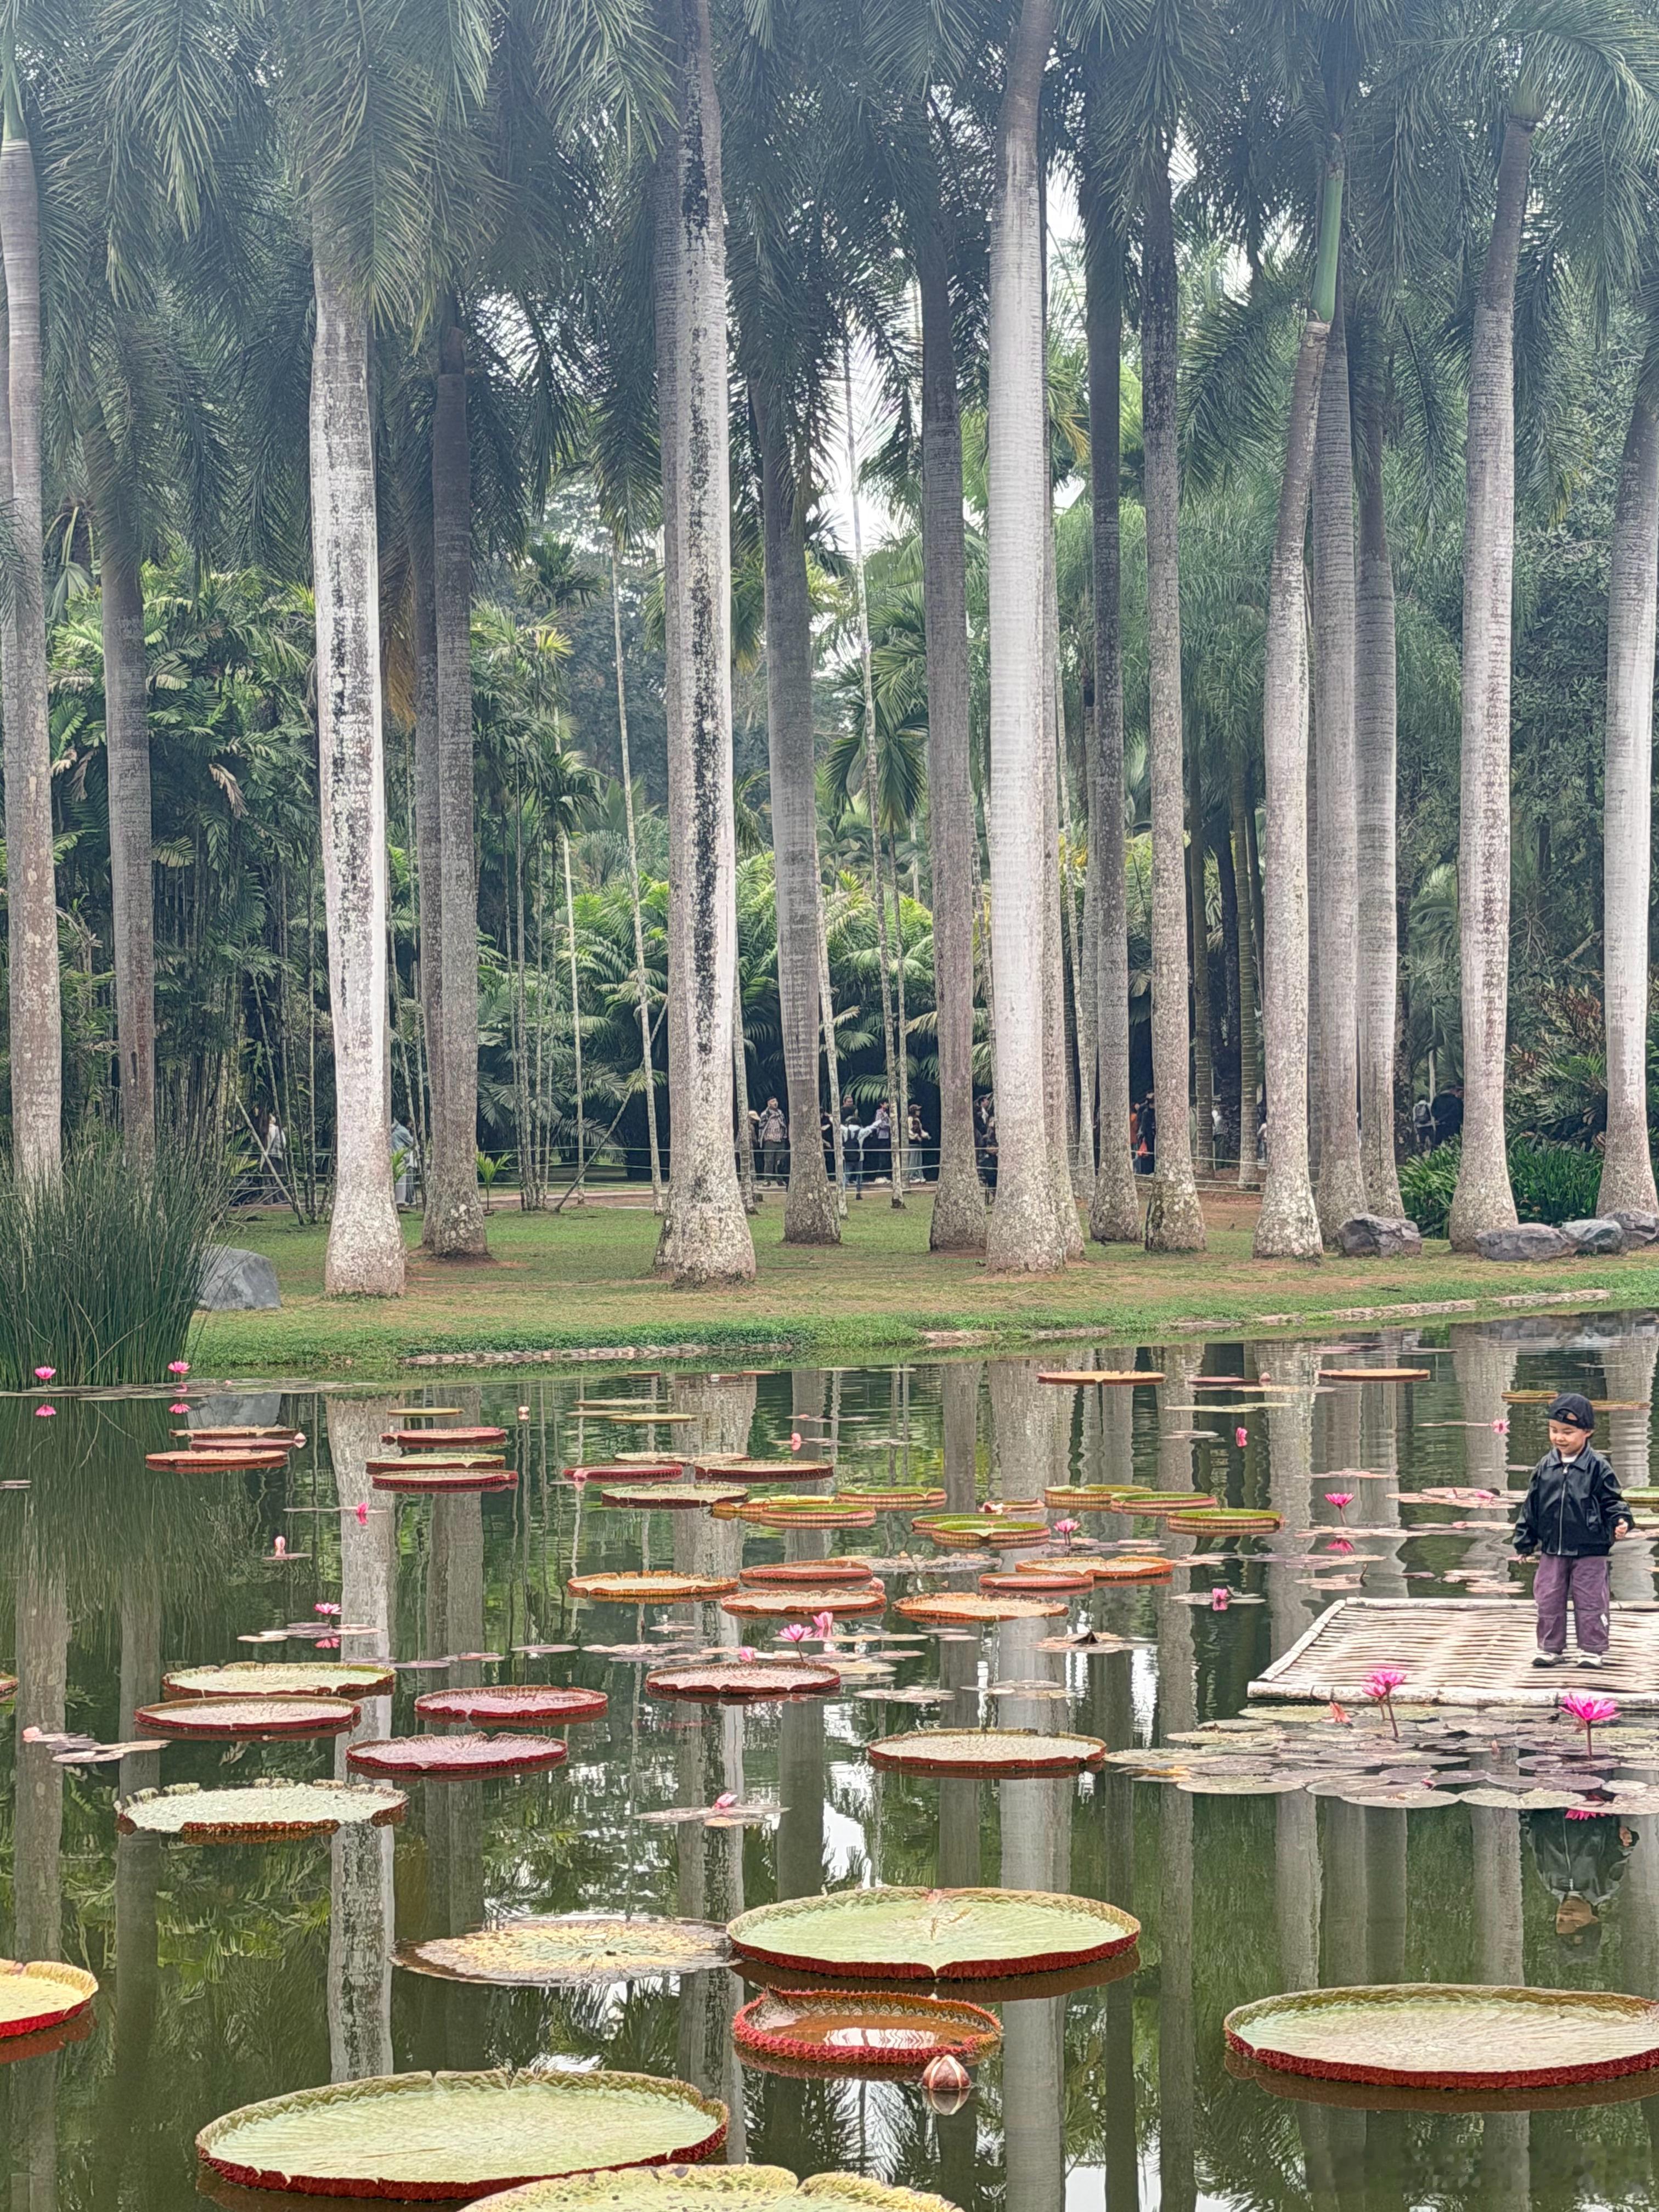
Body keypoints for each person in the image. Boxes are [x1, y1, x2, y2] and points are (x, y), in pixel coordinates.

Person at [1514, 1392, 1634, 1668]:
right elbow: (1531, 1505)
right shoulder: (1545, 1466)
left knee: (1591, 1599)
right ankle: (1550, 1648)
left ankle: (1592, 1649)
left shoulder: (1598, 1467)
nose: (1560, 1438)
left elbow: (1614, 1501)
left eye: (1568, 1432)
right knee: (1548, 1598)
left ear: (1587, 1432)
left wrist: (1621, 1521)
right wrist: (1524, 1540)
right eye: (1554, 1431)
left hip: (1590, 1548)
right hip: (1552, 1548)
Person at [1527, 1808, 1637, 1960]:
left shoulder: (1551, 1884)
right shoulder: (1604, 1887)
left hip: (1549, 1806)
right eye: (1576, 1922)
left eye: (1561, 1920)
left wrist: (1527, 1815)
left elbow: (1535, 1841)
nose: (1566, 1915)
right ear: (1594, 1920)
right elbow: (1620, 1853)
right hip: (1590, 1806)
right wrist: (1626, 1841)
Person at [757, 1096, 788, 1186]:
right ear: (769, 1103)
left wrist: (784, 1136)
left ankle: (780, 1179)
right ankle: (767, 1180)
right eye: (773, 1101)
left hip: (780, 1140)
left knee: (780, 1161)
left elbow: (784, 1125)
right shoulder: (765, 1114)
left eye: (776, 1101)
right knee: (769, 1161)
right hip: (770, 1141)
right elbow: (761, 1128)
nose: (775, 1103)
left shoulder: (780, 1113)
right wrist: (761, 1140)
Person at [390, 1118, 417, 1207]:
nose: (411, 1126)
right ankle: (400, 1200)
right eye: (410, 1124)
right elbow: (413, 1142)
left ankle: (402, 1199)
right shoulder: (403, 1131)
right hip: (400, 1156)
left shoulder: (396, 1131)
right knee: (402, 1178)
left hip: (394, 1155)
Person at [906, 1102, 929, 1185]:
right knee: (913, 1160)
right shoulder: (910, 1119)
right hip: (912, 1141)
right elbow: (909, 1130)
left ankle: (919, 1176)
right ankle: (912, 1176)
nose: (919, 1111)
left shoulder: (918, 1120)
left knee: (919, 1160)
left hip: (918, 1142)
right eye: (917, 1110)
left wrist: (925, 1135)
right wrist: (915, 1136)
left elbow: (920, 1131)